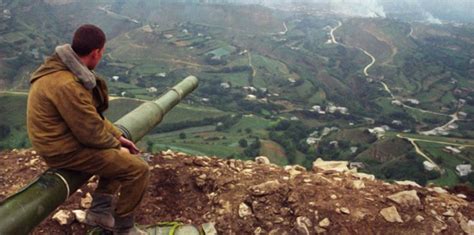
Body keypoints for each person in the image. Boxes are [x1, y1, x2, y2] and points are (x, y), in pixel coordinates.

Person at [26, 24, 149, 235]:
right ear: (96, 52)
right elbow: (90, 132)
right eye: (102, 52)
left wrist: (118, 137)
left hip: (61, 141)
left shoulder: (60, 72)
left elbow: (91, 117)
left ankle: (100, 212)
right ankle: (125, 229)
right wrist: (115, 145)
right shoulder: (67, 85)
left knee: (123, 156)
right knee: (139, 169)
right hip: (63, 150)